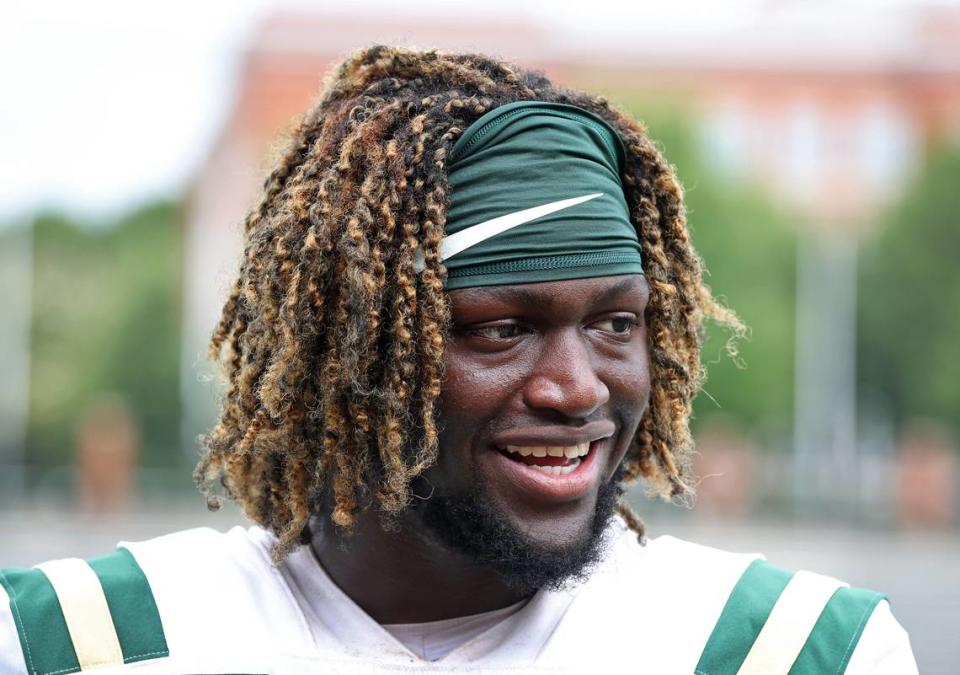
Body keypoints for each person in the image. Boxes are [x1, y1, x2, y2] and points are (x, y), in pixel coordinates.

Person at [0, 46, 916, 674]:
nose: (578, 386)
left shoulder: (792, 649)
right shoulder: (83, 639)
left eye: (616, 324)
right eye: (499, 329)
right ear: (348, 357)